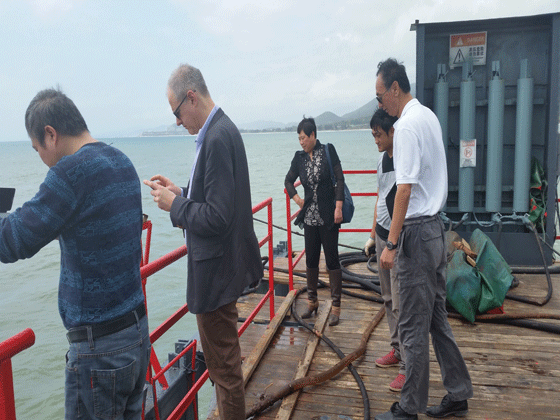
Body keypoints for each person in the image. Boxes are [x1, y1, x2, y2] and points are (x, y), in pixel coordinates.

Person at [0, 88, 150, 420]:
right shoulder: (121, 161)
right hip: (137, 334)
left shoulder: (70, 173)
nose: (41, 158)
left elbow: (13, 240)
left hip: (101, 351)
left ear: (50, 134)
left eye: (37, 148)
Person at [143, 63, 263, 420]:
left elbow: (218, 216)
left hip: (215, 277)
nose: (178, 122)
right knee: (225, 368)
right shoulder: (222, 130)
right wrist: (181, 192)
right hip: (224, 270)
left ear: (191, 97)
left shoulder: (216, 137)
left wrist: (175, 206)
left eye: (177, 113)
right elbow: (217, 199)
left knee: (224, 373)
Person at [373, 58, 473, 420]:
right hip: (435, 231)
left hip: (415, 235)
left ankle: (408, 408)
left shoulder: (406, 126)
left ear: (395, 88)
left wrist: (391, 244)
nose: (380, 103)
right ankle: (458, 393)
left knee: (412, 325)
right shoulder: (428, 116)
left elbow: (404, 189)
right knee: (436, 321)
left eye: (380, 96)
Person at [284, 117, 345, 326]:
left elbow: (340, 179)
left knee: (332, 260)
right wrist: (297, 200)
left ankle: (336, 307)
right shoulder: (299, 158)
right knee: (310, 260)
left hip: (329, 216)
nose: (301, 142)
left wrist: (339, 207)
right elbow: (288, 180)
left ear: (312, 135)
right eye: (299, 139)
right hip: (309, 217)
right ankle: (312, 302)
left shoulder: (328, 150)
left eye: (303, 138)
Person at [363, 108, 406, 392]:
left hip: (395, 240)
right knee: (388, 298)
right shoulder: (381, 160)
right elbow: (381, 197)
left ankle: (408, 367)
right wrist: (372, 236)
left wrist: (392, 242)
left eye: (378, 135)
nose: (376, 140)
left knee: (402, 303)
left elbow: (405, 196)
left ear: (392, 132)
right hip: (380, 236)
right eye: (373, 135)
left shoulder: (403, 158)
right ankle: (397, 350)